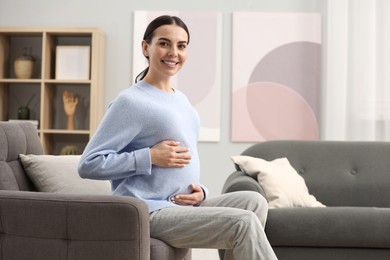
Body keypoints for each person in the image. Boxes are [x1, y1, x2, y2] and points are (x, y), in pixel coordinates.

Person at [78, 15, 277, 260]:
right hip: (150, 209)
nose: (173, 52)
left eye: (181, 46)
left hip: (181, 204)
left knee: (253, 201)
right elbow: (89, 164)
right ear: (145, 47)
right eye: (164, 43)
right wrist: (149, 156)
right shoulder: (130, 101)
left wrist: (200, 192)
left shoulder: (180, 100)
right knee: (243, 221)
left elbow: (183, 163)